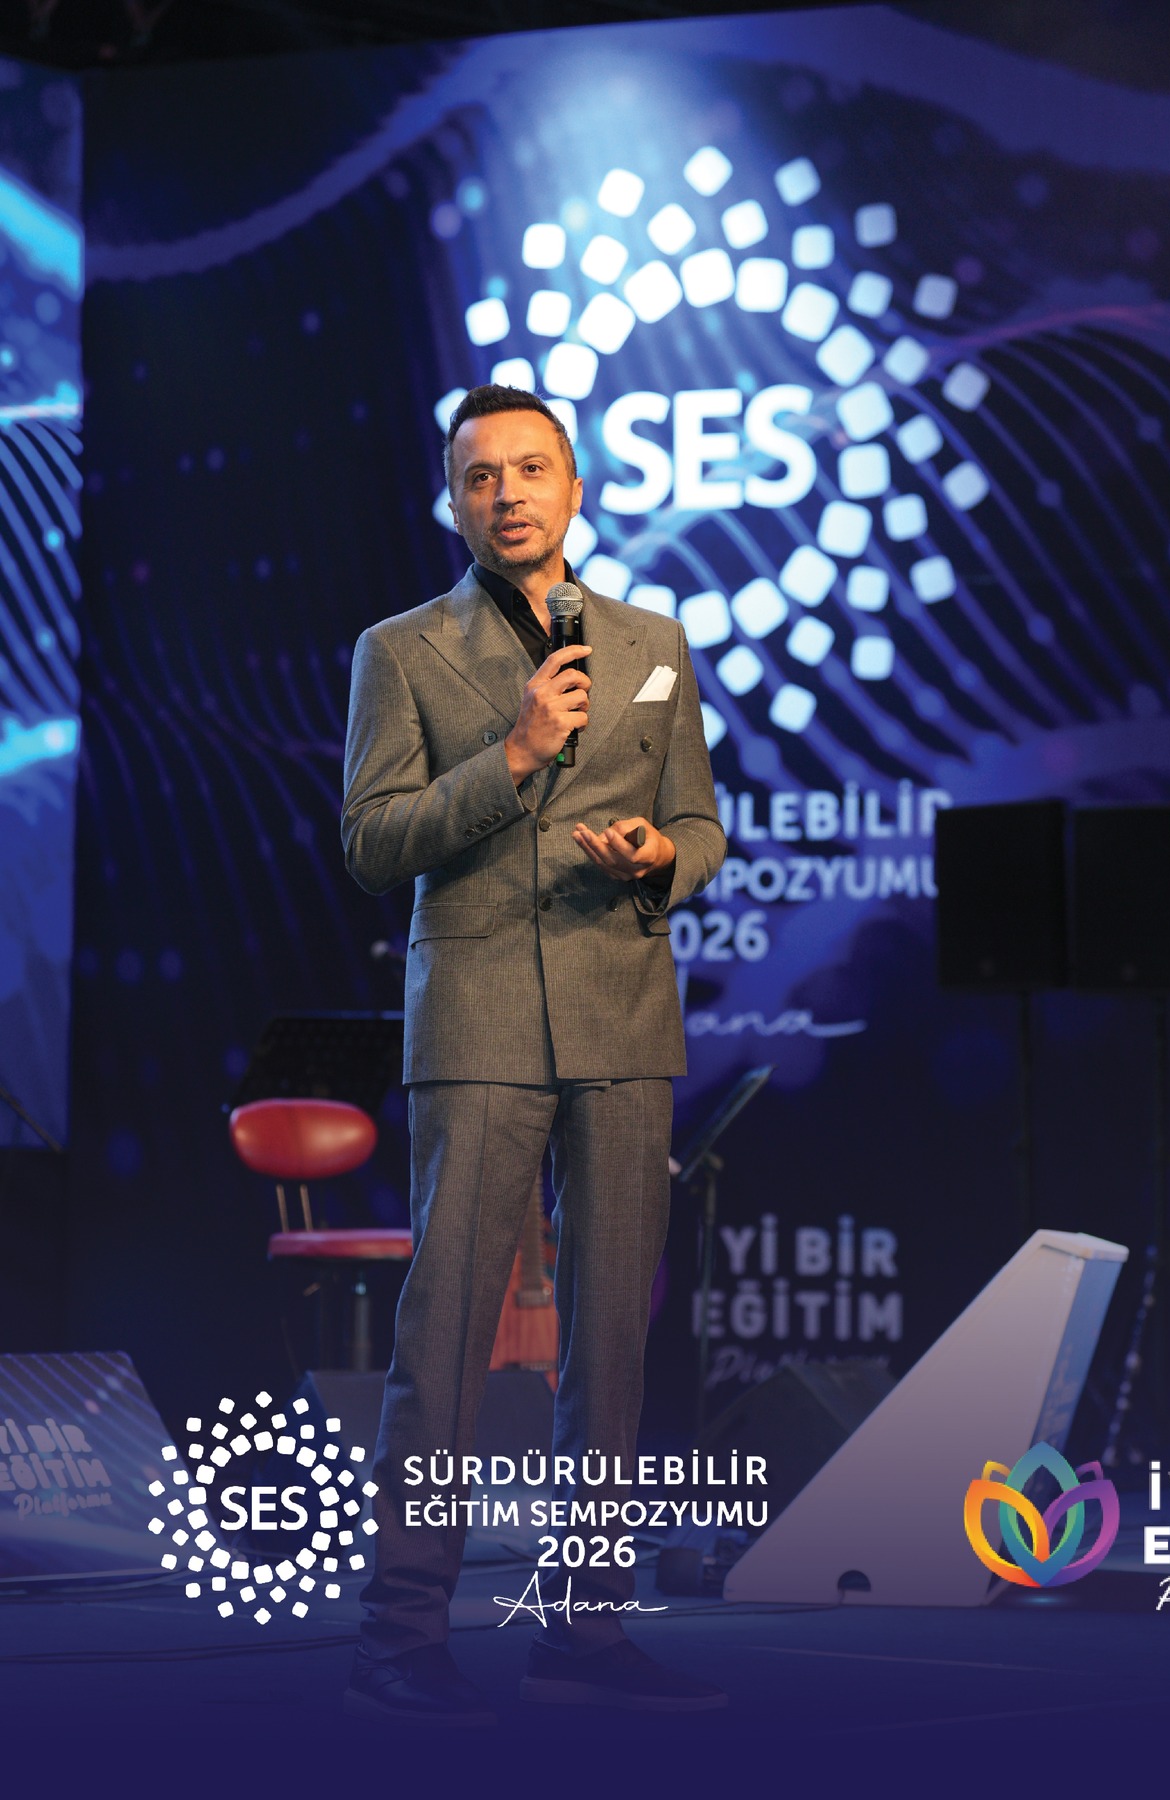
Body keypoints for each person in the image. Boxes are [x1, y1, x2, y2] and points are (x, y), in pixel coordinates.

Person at [339, 385, 726, 1722]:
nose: (507, 493)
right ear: (454, 501)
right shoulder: (400, 651)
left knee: (610, 1342)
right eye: (480, 475)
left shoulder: (654, 643)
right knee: (445, 1337)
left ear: (574, 487)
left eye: (530, 468)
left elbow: (699, 822)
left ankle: (585, 1625)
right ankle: (401, 1634)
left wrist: (662, 856)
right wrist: (510, 755)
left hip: (622, 1011)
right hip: (481, 1010)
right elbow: (371, 841)